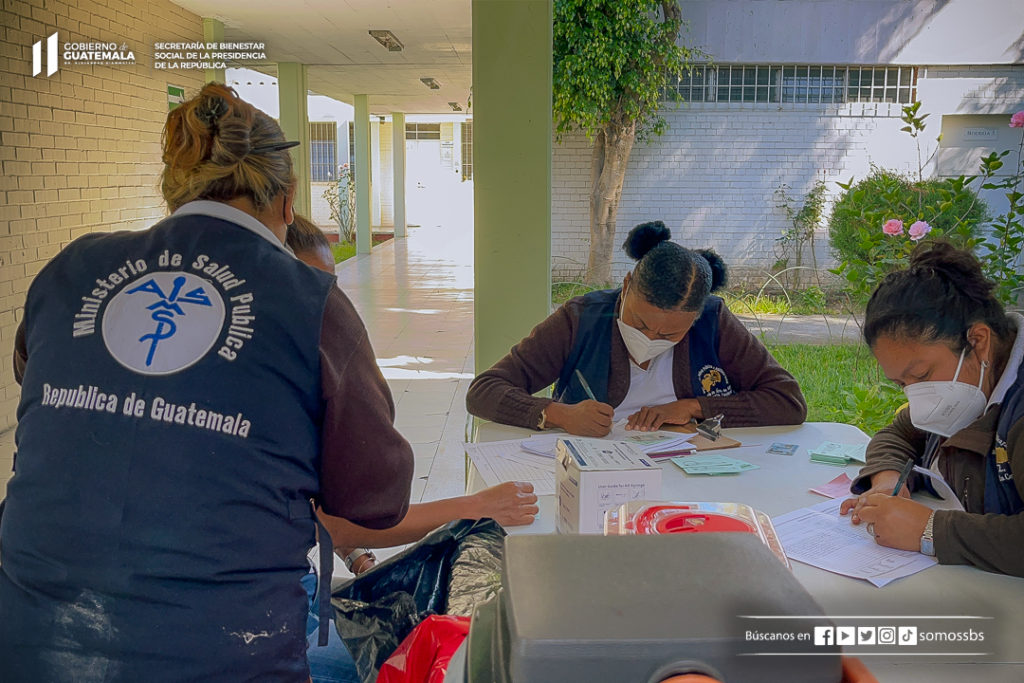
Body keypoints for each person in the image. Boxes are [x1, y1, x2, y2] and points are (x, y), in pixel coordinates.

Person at [0, 83, 414, 681]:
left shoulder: (72, 267)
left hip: (31, 641)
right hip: (224, 654)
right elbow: (374, 497)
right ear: (288, 198)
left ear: (174, 186)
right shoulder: (309, 300)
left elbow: (38, 383)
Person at [286, 216, 538, 683]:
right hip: (274, 624)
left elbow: (318, 505)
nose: (326, 311)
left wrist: (358, 558)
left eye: (331, 293)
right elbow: (337, 523)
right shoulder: (276, 387)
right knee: (439, 657)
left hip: (288, 590)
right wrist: (474, 505)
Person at [466, 221, 807, 436]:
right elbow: (484, 391)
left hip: (688, 472)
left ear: (696, 316)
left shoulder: (714, 321)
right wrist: (558, 414)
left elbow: (787, 401)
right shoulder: (580, 319)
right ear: (626, 286)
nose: (649, 339)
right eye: (640, 323)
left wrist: (693, 407)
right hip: (593, 474)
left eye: (670, 335)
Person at [840, 242, 1024, 577]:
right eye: (902, 384)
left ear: (978, 341)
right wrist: (888, 480)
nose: (916, 396)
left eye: (922, 375)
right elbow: (898, 433)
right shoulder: (967, 388)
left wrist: (930, 531)